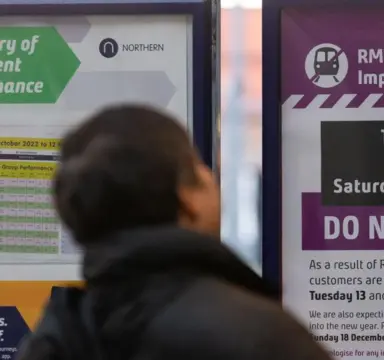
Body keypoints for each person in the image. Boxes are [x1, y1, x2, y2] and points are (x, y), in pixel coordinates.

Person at [16, 105, 331, 360]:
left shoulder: (55, 340)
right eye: (200, 167)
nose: (212, 180)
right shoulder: (264, 337)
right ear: (188, 197)